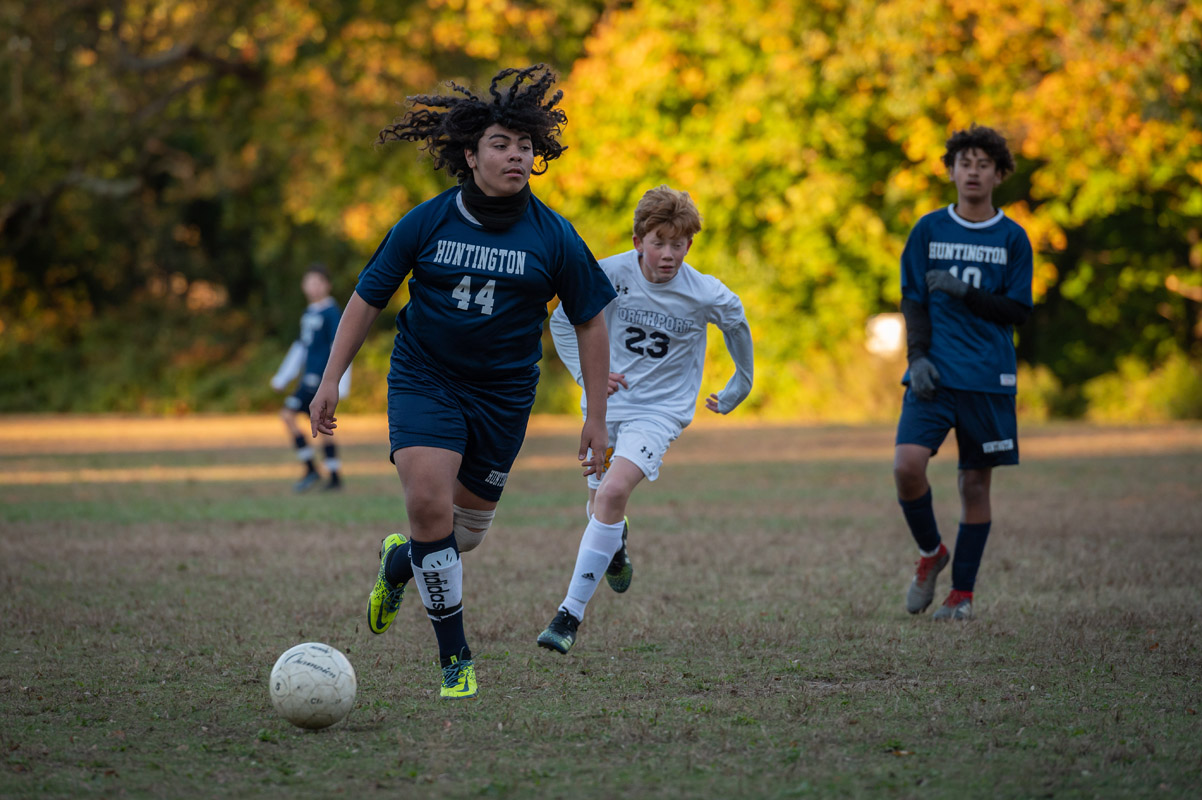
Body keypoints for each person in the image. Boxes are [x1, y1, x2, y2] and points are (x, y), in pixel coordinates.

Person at [309, 65, 615, 698]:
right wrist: (330, 378)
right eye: (501, 144)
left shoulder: (553, 235)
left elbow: (590, 320)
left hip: (503, 398)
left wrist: (595, 417)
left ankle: (401, 562)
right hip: (426, 378)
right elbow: (367, 298)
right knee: (427, 504)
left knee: (459, 536)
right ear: (470, 154)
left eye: (525, 147)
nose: (516, 156)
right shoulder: (426, 221)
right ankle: (456, 660)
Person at [536, 185, 754, 654]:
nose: (669, 253)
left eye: (678, 244)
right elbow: (561, 323)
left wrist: (742, 383)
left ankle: (568, 615)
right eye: (659, 242)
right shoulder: (607, 274)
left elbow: (736, 325)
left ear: (689, 245)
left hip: (660, 412)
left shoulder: (704, 292)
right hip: (605, 407)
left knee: (613, 493)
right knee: (599, 509)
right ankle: (615, 543)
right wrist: (587, 375)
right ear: (638, 241)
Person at [894, 125, 1033, 621]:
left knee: (974, 487)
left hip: (988, 380)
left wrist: (963, 292)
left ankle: (962, 595)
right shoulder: (928, 229)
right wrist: (917, 358)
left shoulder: (1013, 238)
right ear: (951, 171)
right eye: (965, 163)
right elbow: (912, 300)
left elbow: (1017, 311)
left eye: (983, 164)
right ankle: (932, 554)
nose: (973, 172)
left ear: (999, 174)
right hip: (934, 375)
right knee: (907, 467)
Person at [270, 264, 351, 492]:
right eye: (309, 282)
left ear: (327, 285)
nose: (313, 287)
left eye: (318, 282)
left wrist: (340, 382)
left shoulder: (332, 312)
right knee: (319, 424)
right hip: (307, 379)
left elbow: (342, 345)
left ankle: (314, 470)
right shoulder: (309, 313)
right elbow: (301, 348)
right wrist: (283, 377)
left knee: (290, 416)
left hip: (320, 381)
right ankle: (330, 474)